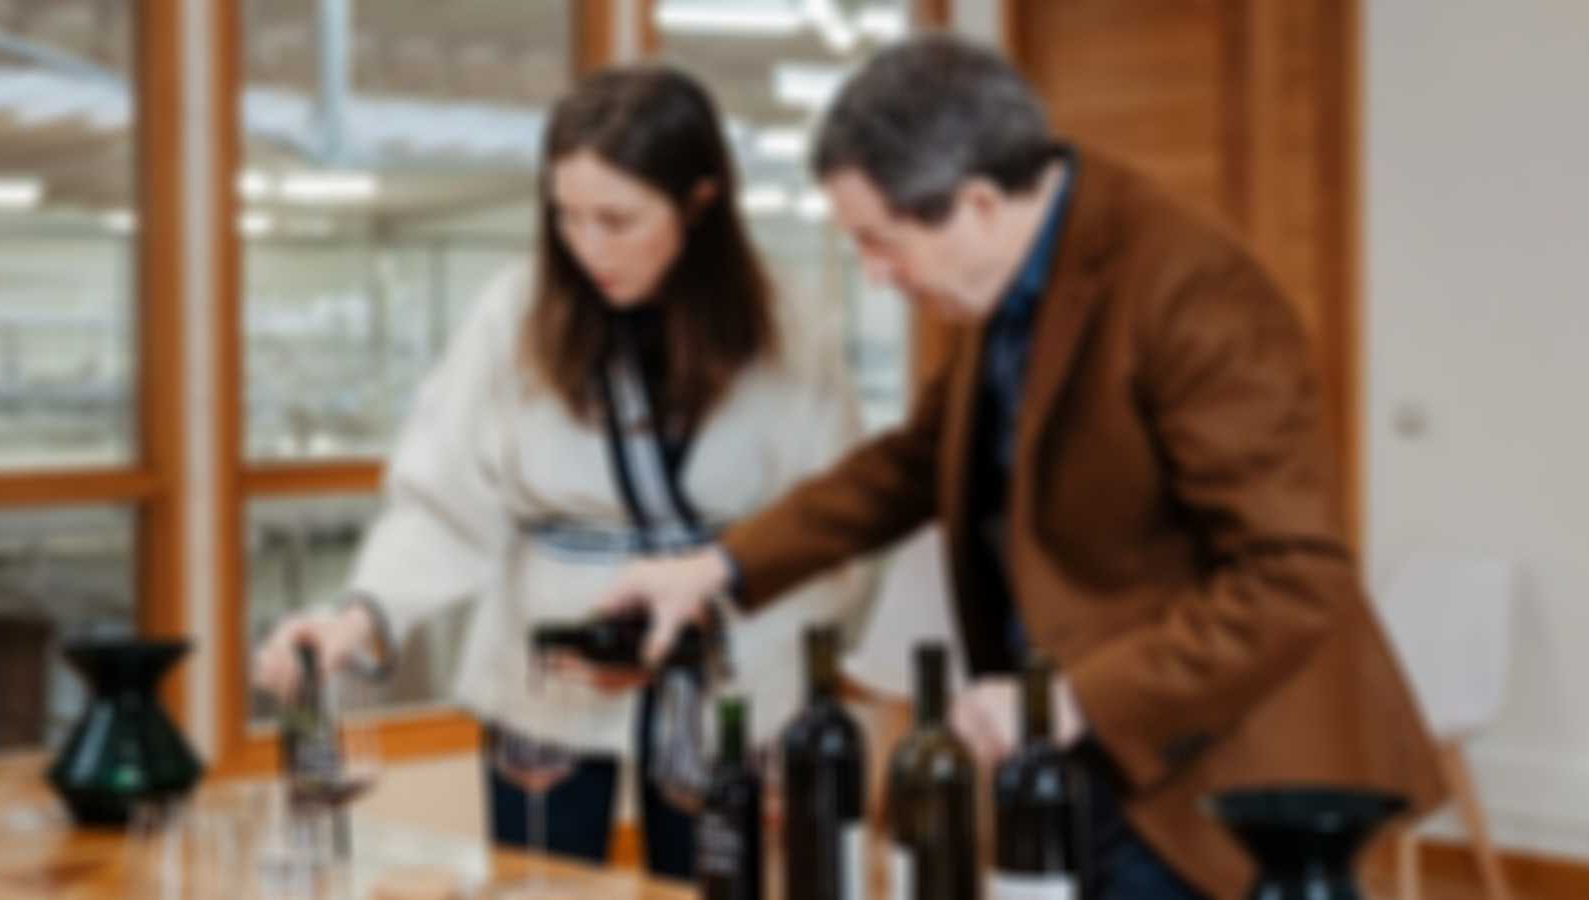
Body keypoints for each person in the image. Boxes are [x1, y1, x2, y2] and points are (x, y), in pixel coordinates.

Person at [598, 35, 1446, 898]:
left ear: (977, 204)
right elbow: (911, 465)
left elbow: (1296, 579)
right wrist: (716, 569)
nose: (877, 277)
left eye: (882, 243)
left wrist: (1071, 701)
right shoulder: (1010, 279)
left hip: (1206, 768)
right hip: (1074, 752)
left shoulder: (1189, 291)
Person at [250, 66, 868, 881]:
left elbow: (830, 522)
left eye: (618, 219)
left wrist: (721, 617)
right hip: (550, 666)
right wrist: (358, 617)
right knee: (530, 883)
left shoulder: (787, 326)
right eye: (568, 217)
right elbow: (444, 499)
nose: (589, 247)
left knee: (721, 884)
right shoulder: (518, 314)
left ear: (700, 202)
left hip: (726, 661)